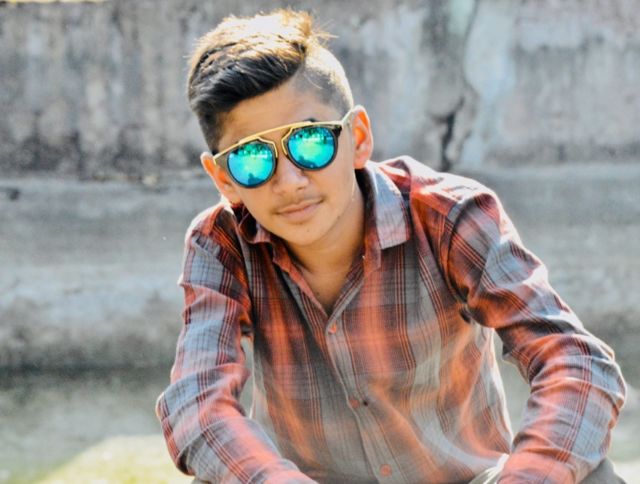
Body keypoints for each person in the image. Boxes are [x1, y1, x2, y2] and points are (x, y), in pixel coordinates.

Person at [156, 8, 627, 483]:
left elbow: (575, 363)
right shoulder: (222, 243)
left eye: (311, 142)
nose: (290, 181)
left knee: (591, 477)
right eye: (252, 158)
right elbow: (198, 405)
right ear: (223, 178)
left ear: (358, 138)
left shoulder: (448, 216)